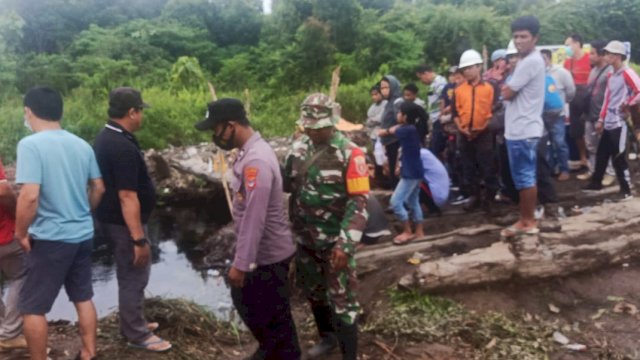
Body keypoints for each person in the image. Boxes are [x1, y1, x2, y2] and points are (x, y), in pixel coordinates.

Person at [195, 98, 301, 360]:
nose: (214, 136)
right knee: (264, 313)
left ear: (231, 125)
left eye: (216, 129)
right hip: (262, 254)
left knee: (264, 312)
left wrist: (241, 264)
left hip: (268, 255)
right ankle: (274, 349)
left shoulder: (257, 162)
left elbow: (255, 218)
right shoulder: (248, 153)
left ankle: (280, 352)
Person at [15, 86, 105, 360]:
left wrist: (20, 232)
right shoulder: (81, 144)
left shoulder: (30, 144)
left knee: (32, 307)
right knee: (82, 296)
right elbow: (99, 187)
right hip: (82, 234)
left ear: (29, 112)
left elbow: (30, 196)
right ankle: (89, 353)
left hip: (51, 238)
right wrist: (82, 211)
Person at [284, 93, 369, 360]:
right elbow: (289, 189)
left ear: (332, 122)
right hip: (306, 239)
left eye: (318, 125)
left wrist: (345, 244)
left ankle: (349, 354)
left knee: (343, 301)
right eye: (308, 125)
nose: (313, 130)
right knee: (314, 292)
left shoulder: (350, 154)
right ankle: (328, 337)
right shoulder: (297, 150)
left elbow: (359, 203)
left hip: (336, 242)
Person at [93, 87, 172, 352]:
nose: (142, 116)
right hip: (123, 223)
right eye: (140, 111)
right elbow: (127, 195)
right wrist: (139, 238)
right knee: (134, 274)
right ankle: (136, 333)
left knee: (132, 274)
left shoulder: (109, 137)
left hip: (112, 220)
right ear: (132, 112)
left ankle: (134, 321)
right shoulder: (120, 145)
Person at [500, 16, 545, 237]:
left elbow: (507, 92)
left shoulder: (529, 62)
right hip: (521, 128)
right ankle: (526, 218)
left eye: (524, 36)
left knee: (525, 177)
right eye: (516, 36)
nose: (519, 41)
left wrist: (506, 86)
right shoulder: (527, 61)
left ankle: (528, 221)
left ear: (535, 38)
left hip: (523, 129)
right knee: (523, 176)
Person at [583, 41, 640, 200]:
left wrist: (627, 104)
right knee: (602, 154)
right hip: (609, 120)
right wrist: (601, 119)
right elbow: (607, 98)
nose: (607, 56)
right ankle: (596, 183)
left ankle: (626, 190)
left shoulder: (627, 73)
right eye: (606, 53)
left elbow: (638, 91)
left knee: (619, 156)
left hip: (619, 122)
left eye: (609, 54)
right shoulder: (611, 74)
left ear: (618, 56)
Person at [453, 49, 499, 213]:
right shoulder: (458, 90)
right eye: (464, 69)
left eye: (470, 67)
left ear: (479, 67)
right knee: (468, 167)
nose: (467, 71)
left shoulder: (490, 87)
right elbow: (455, 113)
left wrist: (484, 127)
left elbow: (495, 110)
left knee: (488, 166)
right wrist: (461, 129)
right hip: (465, 134)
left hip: (484, 133)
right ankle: (475, 196)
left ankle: (490, 199)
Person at [379, 101, 425, 245]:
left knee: (396, 202)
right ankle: (419, 231)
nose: (397, 114)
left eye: (399, 113)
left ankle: (407, 231)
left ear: (405, 116)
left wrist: (383, 131)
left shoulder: (406, 130)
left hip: (411, 172)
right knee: (413, 200)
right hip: (416, 169)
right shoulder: (413, 128)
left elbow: (391, 131)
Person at [579, 39, 615, 183]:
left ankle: (610, 173)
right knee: (591, 145)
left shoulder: (610, 72)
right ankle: (593, 170)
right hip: (590, 114)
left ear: (601, 55)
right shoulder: (593, 71)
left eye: (593, 53)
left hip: (603, 115)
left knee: (606, 145)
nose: (590, 56)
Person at [0, 157, 27, 350]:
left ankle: (4, 328)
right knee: (21, 275)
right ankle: (9, 334)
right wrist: (19, 214)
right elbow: (3, 190)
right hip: (3, 233)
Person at [541, 49, 576, 181]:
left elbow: (571, 91)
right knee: (545, 144)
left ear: (549, 59)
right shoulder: (536, 73)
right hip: (541, 116)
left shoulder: (561, 72)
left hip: (557, 115)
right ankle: (549, 169)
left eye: (543, 59)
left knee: (559, 142)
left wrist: (564, 102)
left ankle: (564, 169)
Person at [564, 33, 591, 170]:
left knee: (590, 129)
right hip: (574, 100)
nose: (566, 48)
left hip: (590, 99)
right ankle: (583, 158)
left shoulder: (589, 58)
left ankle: (594, 158)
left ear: (577, 43)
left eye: (568, 45)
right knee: (576, 131)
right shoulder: (568, 62)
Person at [416, 64, 448, 157]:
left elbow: (444, 100)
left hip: (439, 119)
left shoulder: (439, 83)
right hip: (435, 120)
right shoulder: (432, 84)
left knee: (435, 149)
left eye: (420, 78)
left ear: (425, 74)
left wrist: (442, 115)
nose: (421, 81)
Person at [378, 75, 403, 187]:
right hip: (389, 142)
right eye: (382, 88)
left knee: (396, 170)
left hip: (396, 142)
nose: (384, 91)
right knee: (391, 170)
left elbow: (402, 122)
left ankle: (399, 200)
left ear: (393, 87)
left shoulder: (397, 101)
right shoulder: (388, 103)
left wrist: (386, 131)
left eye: (386, 87)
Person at [419, 148, 451, 214]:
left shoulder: (421, 154)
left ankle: (429, 209)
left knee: (412, 183)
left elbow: (404, 173)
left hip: (437, 197)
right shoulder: (425, 152)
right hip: (439, 194)